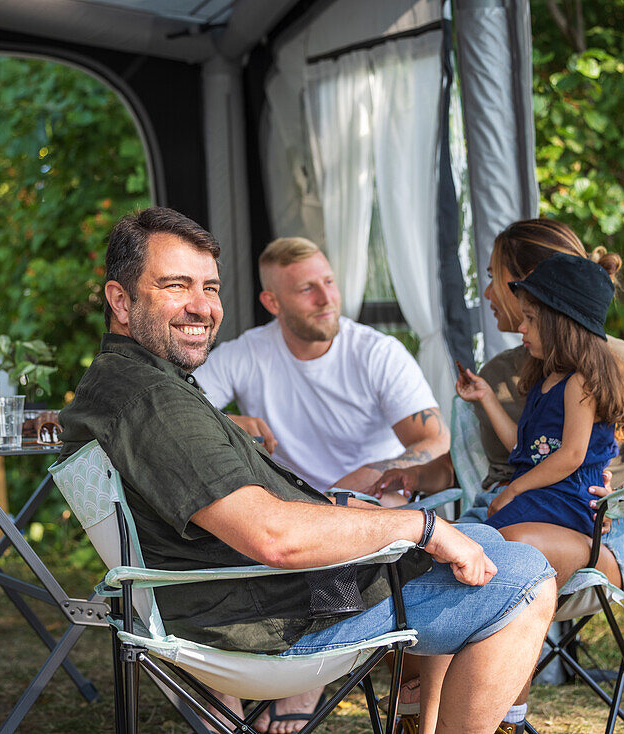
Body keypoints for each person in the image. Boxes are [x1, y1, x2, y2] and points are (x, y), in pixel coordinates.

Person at [59, 206, 558, 734]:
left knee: (484, 541)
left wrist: (357, 512)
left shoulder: (123, 383)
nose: (201, 307)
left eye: (209, 288)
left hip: (251, 597)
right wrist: (419, 526)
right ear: (120, 299)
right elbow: (274, 538)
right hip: (275, 618)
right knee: (526, 577)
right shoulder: (154, 400)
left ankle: (425, 720)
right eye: (176, 286)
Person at [368, 218, 624, 733]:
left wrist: (622, 500)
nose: (485, 291)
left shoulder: (621, 366)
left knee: (503, 561)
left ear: (532, 287)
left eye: (495, 276)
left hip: (590, 533)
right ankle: (426, 715)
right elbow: (490, 459)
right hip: (504, 515)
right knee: (427, 563)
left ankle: (500, 719)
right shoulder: (508, 369)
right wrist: (405, 478)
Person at [194, 237, 449, 499]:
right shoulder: (246, 353)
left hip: (372, 501)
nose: (326, 299)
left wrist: (367, 476)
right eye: (307, 289)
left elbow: (436, 441)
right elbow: (177, 403)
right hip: (291, 507)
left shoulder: (379, 353)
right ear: (273, 303)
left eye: (329, 282)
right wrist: (227, 423)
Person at [456, 253, 624, 539]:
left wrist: (513, 489)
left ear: (560, 326)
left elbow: (571, 456)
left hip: (569, 499)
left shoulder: (580, 383)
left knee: (482, 540)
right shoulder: (546, 380)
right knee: (472, 538)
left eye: (530, 319)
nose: (521, 327)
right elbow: (526, 446)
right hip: (545, 495)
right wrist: (487, 397)